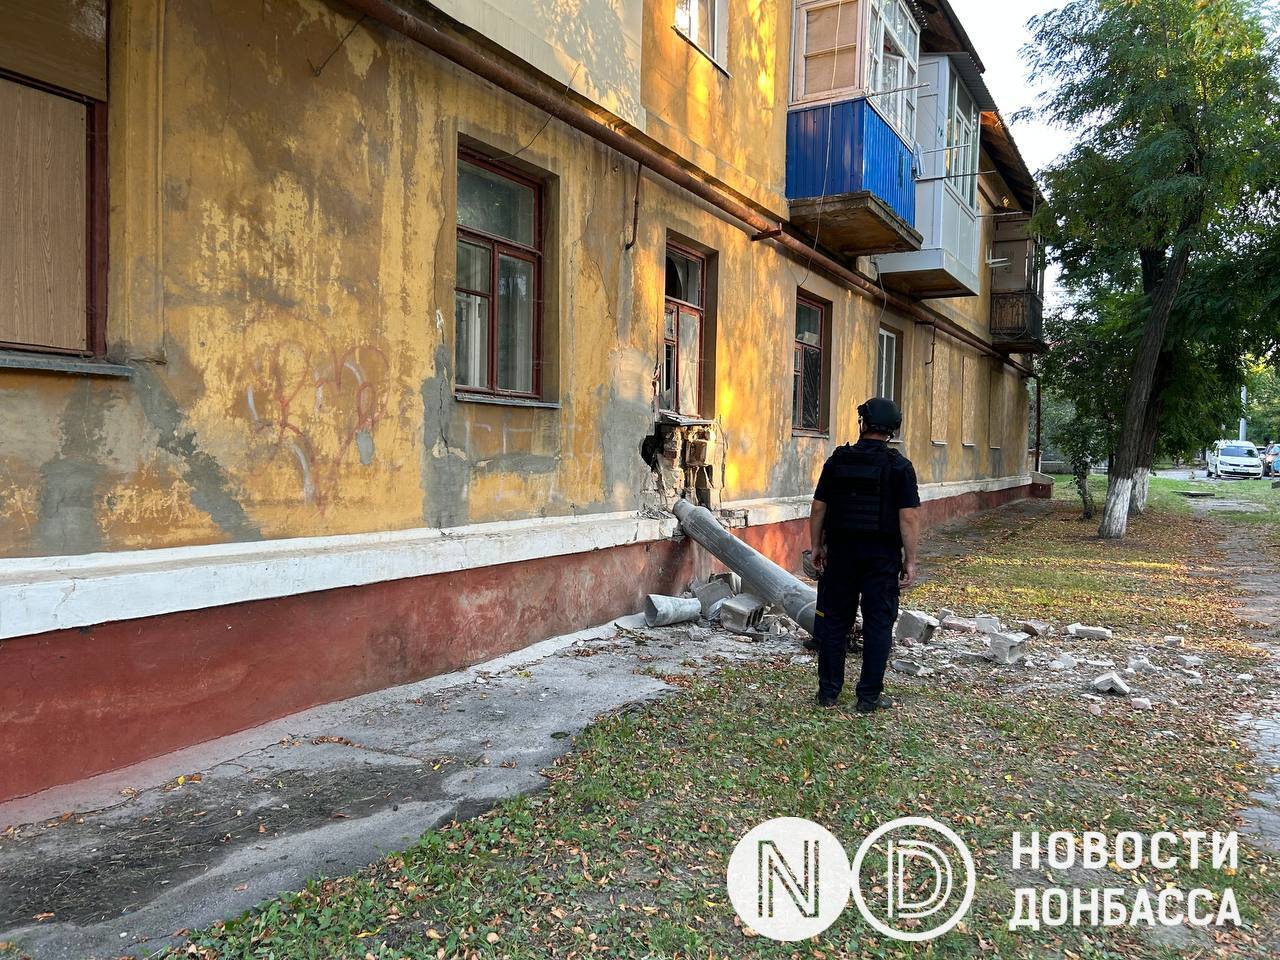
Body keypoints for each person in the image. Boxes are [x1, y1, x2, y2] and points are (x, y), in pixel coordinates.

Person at [809, 398, 921, 713]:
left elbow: (819, 508)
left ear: (864, 423)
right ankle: (868, 697)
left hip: (841, 553)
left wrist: (817, 546)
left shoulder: (837, 461)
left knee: (834, 622)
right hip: (881, 556)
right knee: (878, 624)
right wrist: (910, 560)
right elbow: (909, 517)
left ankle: (828, 693)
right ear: (893, 429)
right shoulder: (900, 467)